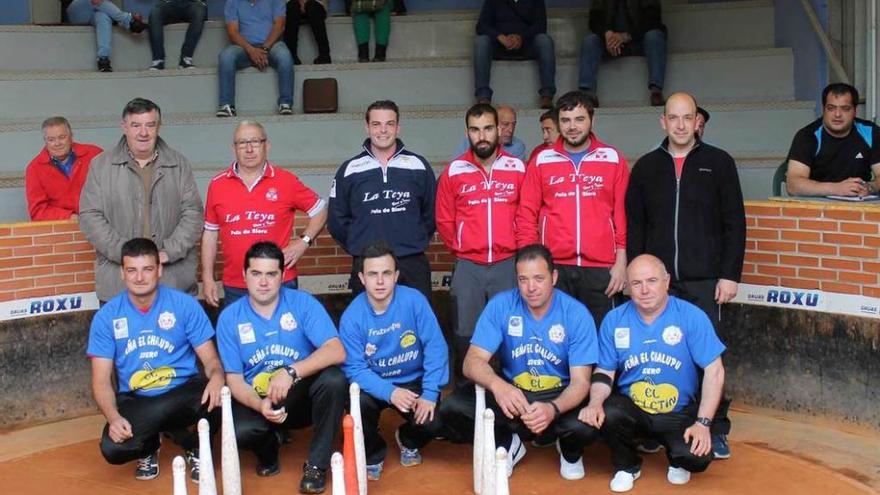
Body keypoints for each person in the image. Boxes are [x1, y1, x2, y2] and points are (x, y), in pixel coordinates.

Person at [625, 92, 744, 459]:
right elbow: (636, 227)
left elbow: (734, 223)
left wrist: (729, 274)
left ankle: (714, 426)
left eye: (687, 117)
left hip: (705, 279)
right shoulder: (646, 167)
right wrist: (638, 279)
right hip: (659, 284)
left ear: (698, 122)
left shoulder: (719, 163)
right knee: (655, 355)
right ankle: (650, 426)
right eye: (673, 118)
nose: (680, 124)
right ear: (663, 121)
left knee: (708, 358)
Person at [439, 244, 600, 480]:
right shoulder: (502, 305)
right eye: (523, 279)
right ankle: (508, 443)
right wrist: (498, 386)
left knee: (586, 424)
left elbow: (581, 382)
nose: (531, 288)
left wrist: (552, 409)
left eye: (538, 278)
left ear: (553, 277)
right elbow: (471, 362)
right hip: (514, 394)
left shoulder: (576, 314)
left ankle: (569, 450)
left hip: (558, 396)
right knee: (453, 408)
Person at [578, 254, 725, 492]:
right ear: (627, 286)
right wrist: (595, 402)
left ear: (666, 282)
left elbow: (715, 371)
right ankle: (627, 465)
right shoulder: (615, 320)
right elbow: (605, 371)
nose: (644, 290)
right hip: (634, 411)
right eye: (636, 283)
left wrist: (703, 423)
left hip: (678, 412)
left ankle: (677, 458)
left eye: (652, 281)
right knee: (609, 411)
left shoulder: (690, 316)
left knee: (695, 458)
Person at [87, 238, 224, 483]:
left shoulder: (184, 305)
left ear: (159, 270)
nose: (139, 278)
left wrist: (216, 378)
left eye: (147, 269)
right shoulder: (107, 317)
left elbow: (212, 361)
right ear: (122, 273)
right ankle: (151, 444)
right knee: (113, 449)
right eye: (132, 270)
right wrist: (113, 417)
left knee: (219, 395)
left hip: (182, 392)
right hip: (138, 398)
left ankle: (196, 446)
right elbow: (100, 382)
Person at [216, 241, 347, 494]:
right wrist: (259, 404)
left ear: (282, 275)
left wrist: (291, 372)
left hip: (297, 398)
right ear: (244, 275)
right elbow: (234, 380)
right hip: (259, 398)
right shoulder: (230, 318)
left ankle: (317, 465)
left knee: (334, 380)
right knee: (241, 432)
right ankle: (269, 450)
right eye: (256, 273)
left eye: (271, 274)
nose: (263, 282)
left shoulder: (302, 304)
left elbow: (337, 350)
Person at [515, 90, 629, 329]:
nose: (572, 127)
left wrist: (621, 261)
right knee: (557, 340)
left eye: (579, 119)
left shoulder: (612, 158)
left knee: (604, 340)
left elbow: (623, 214)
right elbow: (526, 213)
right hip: (555, 267)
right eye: (565, 120)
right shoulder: (542, 160)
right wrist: (532, 263)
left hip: (602, 268)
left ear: (592, 120)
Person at [339, 241, 449, 480]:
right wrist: (389, 392)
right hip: (374, 383)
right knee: (358, 403)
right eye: (373, 274)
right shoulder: (352, 316)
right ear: (361, 277)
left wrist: (430, 392)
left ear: (396, 275)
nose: (380, 281)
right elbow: (354, 368)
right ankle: (374, 453)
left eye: (386, 273)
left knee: (436, 423)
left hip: (413, 381)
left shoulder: (414, 301)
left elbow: (435, 346)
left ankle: (407, 438)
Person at [436, 103, 526, 389]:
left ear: (499, 129)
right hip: (469, 265)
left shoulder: (517, 167)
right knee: (466, 332)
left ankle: (510, 395)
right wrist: (463, 248)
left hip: (508, 263)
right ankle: (467, 400)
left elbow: (527, 215)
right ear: (467, 133)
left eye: (488, 128)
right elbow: (444, 219)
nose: (482, 136)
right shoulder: (454, 171)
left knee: (511, 330)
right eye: (475, 130)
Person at [79, 98, 204, 304]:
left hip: (172, 280)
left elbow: (193, 213)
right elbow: (90, 216)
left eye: (150, 125)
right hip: (118, 285)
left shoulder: (179, 163)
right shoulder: (101, 166)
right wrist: (127, 255)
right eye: (136, 125)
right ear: (124, 127)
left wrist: (168, 252)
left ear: (159, 126)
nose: (143, 133)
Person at [202, 121, 327, 308]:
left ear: (266, 145)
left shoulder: (286, 181)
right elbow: (210, 234)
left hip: (280, 281)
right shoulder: (217, 185)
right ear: (234, 148)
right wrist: (207, 277)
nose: (249, 148)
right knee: (240, 337)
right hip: (236, 285)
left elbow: (320, 210)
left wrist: (303, 242)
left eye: (256, 141)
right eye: (243, 143)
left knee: (286, 337)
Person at [328, 100, 436, 299]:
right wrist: (361, 246)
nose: (383, 130)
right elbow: (337, 220)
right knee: (369, 326)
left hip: (411, 262)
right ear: (367, 127)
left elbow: (431, 213)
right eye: (376, 124)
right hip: (367, 263)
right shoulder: (349, 169)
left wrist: (412, 239)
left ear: (398, 127)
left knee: (415, 326)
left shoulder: (418, 165)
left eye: (390, 124)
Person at [785, 83, 880, 197]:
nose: (837, 114)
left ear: (855, 111)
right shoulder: (808, 136)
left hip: (859, 204)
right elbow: (793, 185)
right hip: (817, 207)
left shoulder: (870, 132)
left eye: (845, 109)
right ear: (823, 109)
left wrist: (870, 187)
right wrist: (837, 189)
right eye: (831, 108)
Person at [579, 0, 667, 107]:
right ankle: (587, 93)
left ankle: (656, 91)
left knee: (655, 37)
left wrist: (626, 36)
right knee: (590, 41)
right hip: (610, 43)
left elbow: (653, 20)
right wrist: (607, 33)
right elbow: (594, 20)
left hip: (638, 41)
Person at [474, 0, 556, 109]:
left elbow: (541, 26)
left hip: (526, 45)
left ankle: (547, 95)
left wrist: (521, 37)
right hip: (499, 46)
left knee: (544, 40)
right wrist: (500, 37)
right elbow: (481, 26)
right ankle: (483, 97)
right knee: (481, 42)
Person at [218, 0, 294, 117]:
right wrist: (251, 50)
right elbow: (233, 32)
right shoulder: (232, 2)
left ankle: (285, 103)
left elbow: (279, 25)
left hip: (271, 45)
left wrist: (265, 48)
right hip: (244, 47)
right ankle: (226, 105)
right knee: (226, 56)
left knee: (285, 55)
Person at [26, 116, 102, 221]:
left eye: (62, 137)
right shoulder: (34, 169)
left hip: (101, 222)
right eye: (51, 139)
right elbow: (38, 211)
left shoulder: (95, 154)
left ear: (71, 136)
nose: (57, 143)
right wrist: (70, 217)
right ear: (45, 141)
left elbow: (115, 189)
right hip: (63, 228)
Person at [66, 0, 147, 72]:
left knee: (102, 16)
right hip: (77, 8)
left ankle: (103, 59)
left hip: (94, 11)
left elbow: (108, 8)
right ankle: (129, 21)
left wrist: (130, 15)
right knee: (97, 1)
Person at [147, 0, 208, 70]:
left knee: (199, 12)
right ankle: (158, 60)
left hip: (193, 3)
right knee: (155, 13)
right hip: (169, 4)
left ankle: (186, 58)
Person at [285, 0, 332, 65]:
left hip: (315, 5)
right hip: (292, 6)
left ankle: (324, 55)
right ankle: (291, 56)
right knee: (292, 6)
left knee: (312, 6)